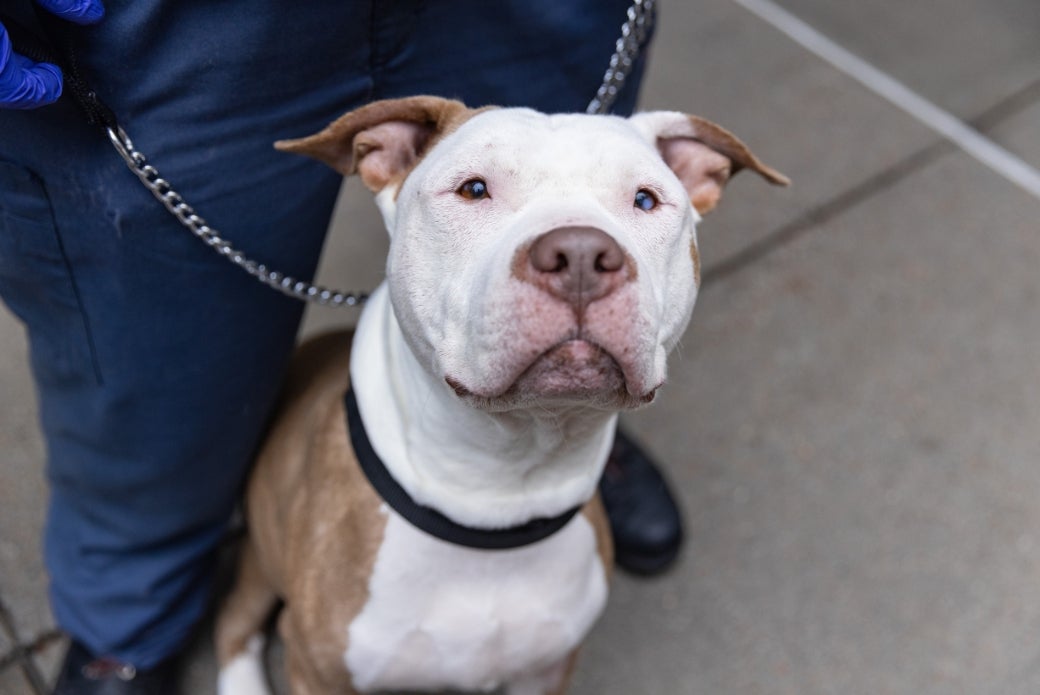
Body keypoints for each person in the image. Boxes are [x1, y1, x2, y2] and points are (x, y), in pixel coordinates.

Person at [0, 1, 683, 692]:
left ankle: (571, 424)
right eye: (473, 187)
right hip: (166, 26)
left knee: (582, 168)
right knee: (148, 373)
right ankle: (130, 613)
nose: (578, 256)